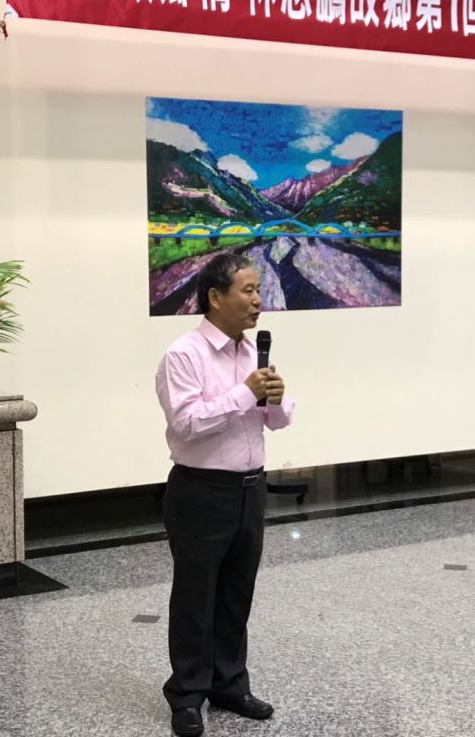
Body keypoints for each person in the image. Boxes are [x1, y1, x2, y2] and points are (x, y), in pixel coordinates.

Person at [155, 252, 294, 737]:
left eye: (258, 290)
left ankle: (230, 685)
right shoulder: (184, 355)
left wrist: (276, 399)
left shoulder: (252, 353)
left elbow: (276, 421)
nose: (258, 300)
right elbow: (186, 423)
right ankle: (187, 695)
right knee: (196, 597)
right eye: (248, 290)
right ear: (215, 297)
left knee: (237, 592)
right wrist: (244, 393)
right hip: (201, 491)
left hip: (251, 490)